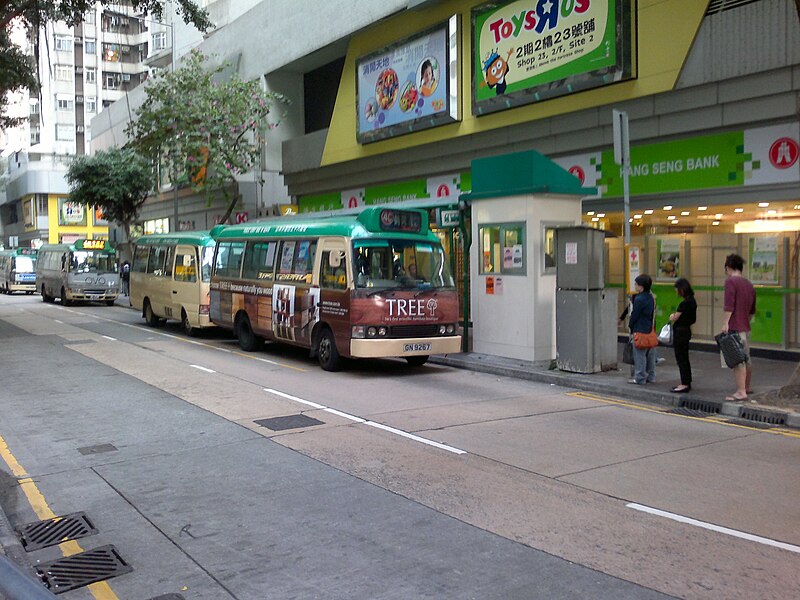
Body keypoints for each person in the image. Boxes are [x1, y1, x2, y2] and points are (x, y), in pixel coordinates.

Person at [721, 253, 756, 401]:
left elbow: (729, 305)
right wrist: (745, 320)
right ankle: (746, 387)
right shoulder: (749, 284)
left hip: (735, 326)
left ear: (728, 267)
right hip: (745, 326)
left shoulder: (731, 282)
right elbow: (752, 310)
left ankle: (741, 391)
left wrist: (725, 323)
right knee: (746, 358)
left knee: (737, 360)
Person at [668, 278, 697, 393]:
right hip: (687, 331)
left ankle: (684, 383)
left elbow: (675, 317)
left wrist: (672, 316)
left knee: (681, 358)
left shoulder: (684, 303)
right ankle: (687, 382)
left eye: (677, 290)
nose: (676, 292)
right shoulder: (693, 301)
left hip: (680, 332)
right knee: (684, 358)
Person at [628, 274, 656, 385]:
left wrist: (630, 325)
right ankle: (651, 376)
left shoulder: (639, 299)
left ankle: (639, 377)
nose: (635, 286)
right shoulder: (651, 297)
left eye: (636, 284)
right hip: (649, 329)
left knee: (639, 355)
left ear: (641, 286)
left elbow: (635, 315)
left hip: (640, 329)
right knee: (650, 355)